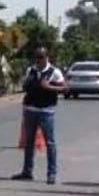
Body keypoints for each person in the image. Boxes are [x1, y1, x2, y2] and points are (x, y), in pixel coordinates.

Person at [12, 46, 65, 185]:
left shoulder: (54, 72)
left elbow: (65, 88)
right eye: (36, 57)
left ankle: (51, 173)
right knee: (29, 142)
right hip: (30, 110)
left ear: (47, 57)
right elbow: (25, 86)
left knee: (50, 143)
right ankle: (27, 171)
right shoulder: (31, 70)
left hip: (46, 111)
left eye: (41, 57)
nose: (38, 60)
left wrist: (49, 87)